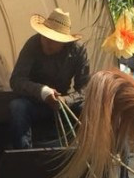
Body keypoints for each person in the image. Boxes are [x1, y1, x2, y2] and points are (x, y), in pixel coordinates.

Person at [9, 8, 89, 149]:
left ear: (64, 42)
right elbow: (16, 80)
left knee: (87, 109)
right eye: (45, 36)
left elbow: (84, 89)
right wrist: (43, 92)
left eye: (53, 40)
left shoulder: (78, 50)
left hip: (64, 105)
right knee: (18, 106)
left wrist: (66, 100)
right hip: (35, 103)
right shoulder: (33, 44)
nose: (46, 42)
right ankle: (24, 155)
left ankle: (83, 154)